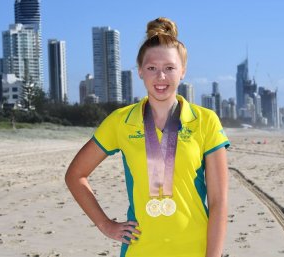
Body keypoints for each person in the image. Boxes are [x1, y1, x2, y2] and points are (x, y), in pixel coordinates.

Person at [65, 17, 230, 257]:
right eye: (152, 68)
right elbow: (75, 175)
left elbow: (219, 203)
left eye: (169, 68)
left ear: (182, 71)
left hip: (195, 249)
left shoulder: (205, 121)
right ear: (140, 71)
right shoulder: (120, 121)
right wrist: (105, 224)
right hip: (139, 250)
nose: (160, 76)